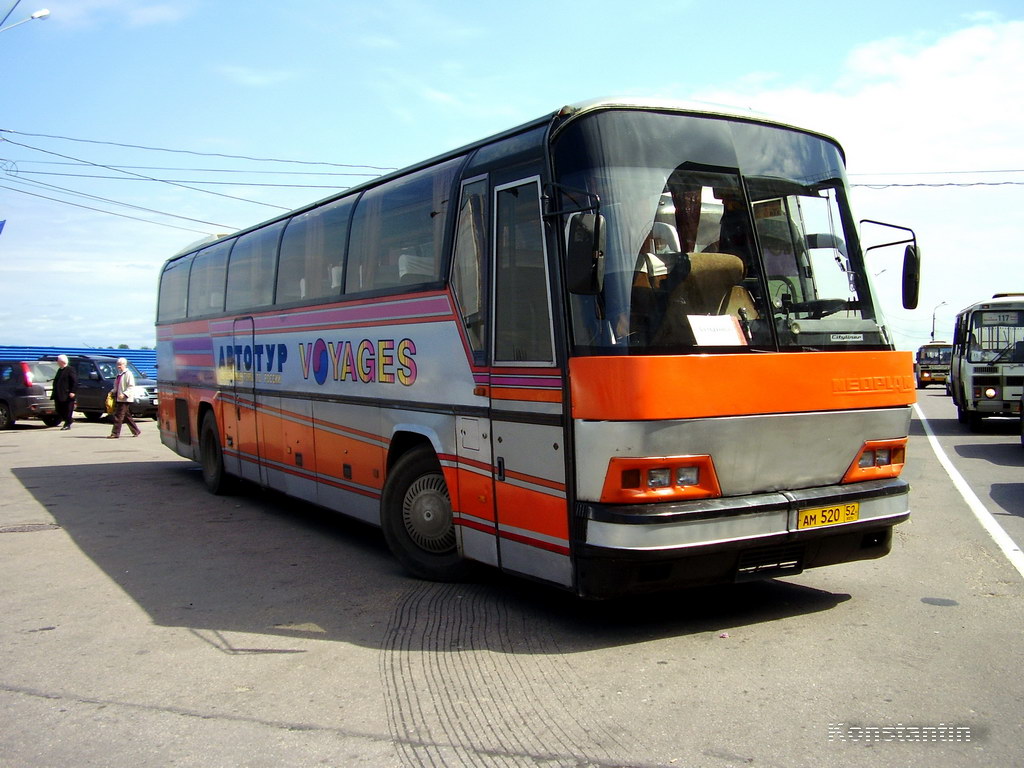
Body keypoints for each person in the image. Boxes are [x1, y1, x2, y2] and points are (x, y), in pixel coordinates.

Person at [108, 358, 141, 439]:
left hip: (125, 399)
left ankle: (115, 433)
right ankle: (136, 431)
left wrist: (124, 394)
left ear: (124, 365)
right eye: (118, 364)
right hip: (119, 398)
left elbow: (131, 386)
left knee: (118, 415)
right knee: (126, 416)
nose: (118, 366)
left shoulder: (128, 374)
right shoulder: (119, 374)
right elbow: (116, 386)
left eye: (120, 364)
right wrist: (113, 391)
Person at [51, 354, 78, 430]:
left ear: (62, 361)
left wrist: (72, 391)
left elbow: (74, 381)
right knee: (58, 409)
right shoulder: (60, 370)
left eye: (58, 361)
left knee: (67, 410)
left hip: (67, 394)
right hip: (59, 394)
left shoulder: (70, 369)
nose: (57, 362)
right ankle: (69, 420)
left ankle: (68, 423)